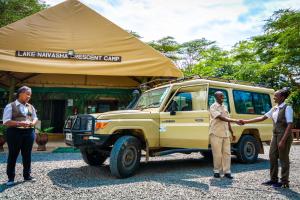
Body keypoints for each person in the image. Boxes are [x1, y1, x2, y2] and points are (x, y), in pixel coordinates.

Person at [239, 88, 293, 188]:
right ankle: (273, 180)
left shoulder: (287, 108)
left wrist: (283, 140)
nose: (274, 97)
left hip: (284, 135)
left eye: (276, 96)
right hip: (275, 134)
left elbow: (290, 125)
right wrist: (245, 122)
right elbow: (262, 118)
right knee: (272, 156)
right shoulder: (274, 108)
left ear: (282, 97)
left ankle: (285, 181)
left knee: (283, 158)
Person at [2, 86, 38, 186]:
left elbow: (35, 118)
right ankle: (10, 178)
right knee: (13, 154)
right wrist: (20, 123)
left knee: (27, 154)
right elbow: (6, 121)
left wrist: (32, 123)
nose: (29, 96)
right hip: (14, 133)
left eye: (30, 95)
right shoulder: (11, 106)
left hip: (29, 132)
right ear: (20, 93)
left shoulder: (31, 106)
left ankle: (27, 176)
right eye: (27, 94)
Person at [209, 91, 241, 179]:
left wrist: (232, 132)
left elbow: (228, 120)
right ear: (216, 97)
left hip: (226, 134)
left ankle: (227, 172)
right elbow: (221, 118)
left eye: (223, 96)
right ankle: (216, 171)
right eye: (221, 96)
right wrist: (236, 121)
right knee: (217, 154)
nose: (223, 97)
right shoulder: (213, 107)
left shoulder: (225, 107)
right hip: (216, 133)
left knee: (227, 153)